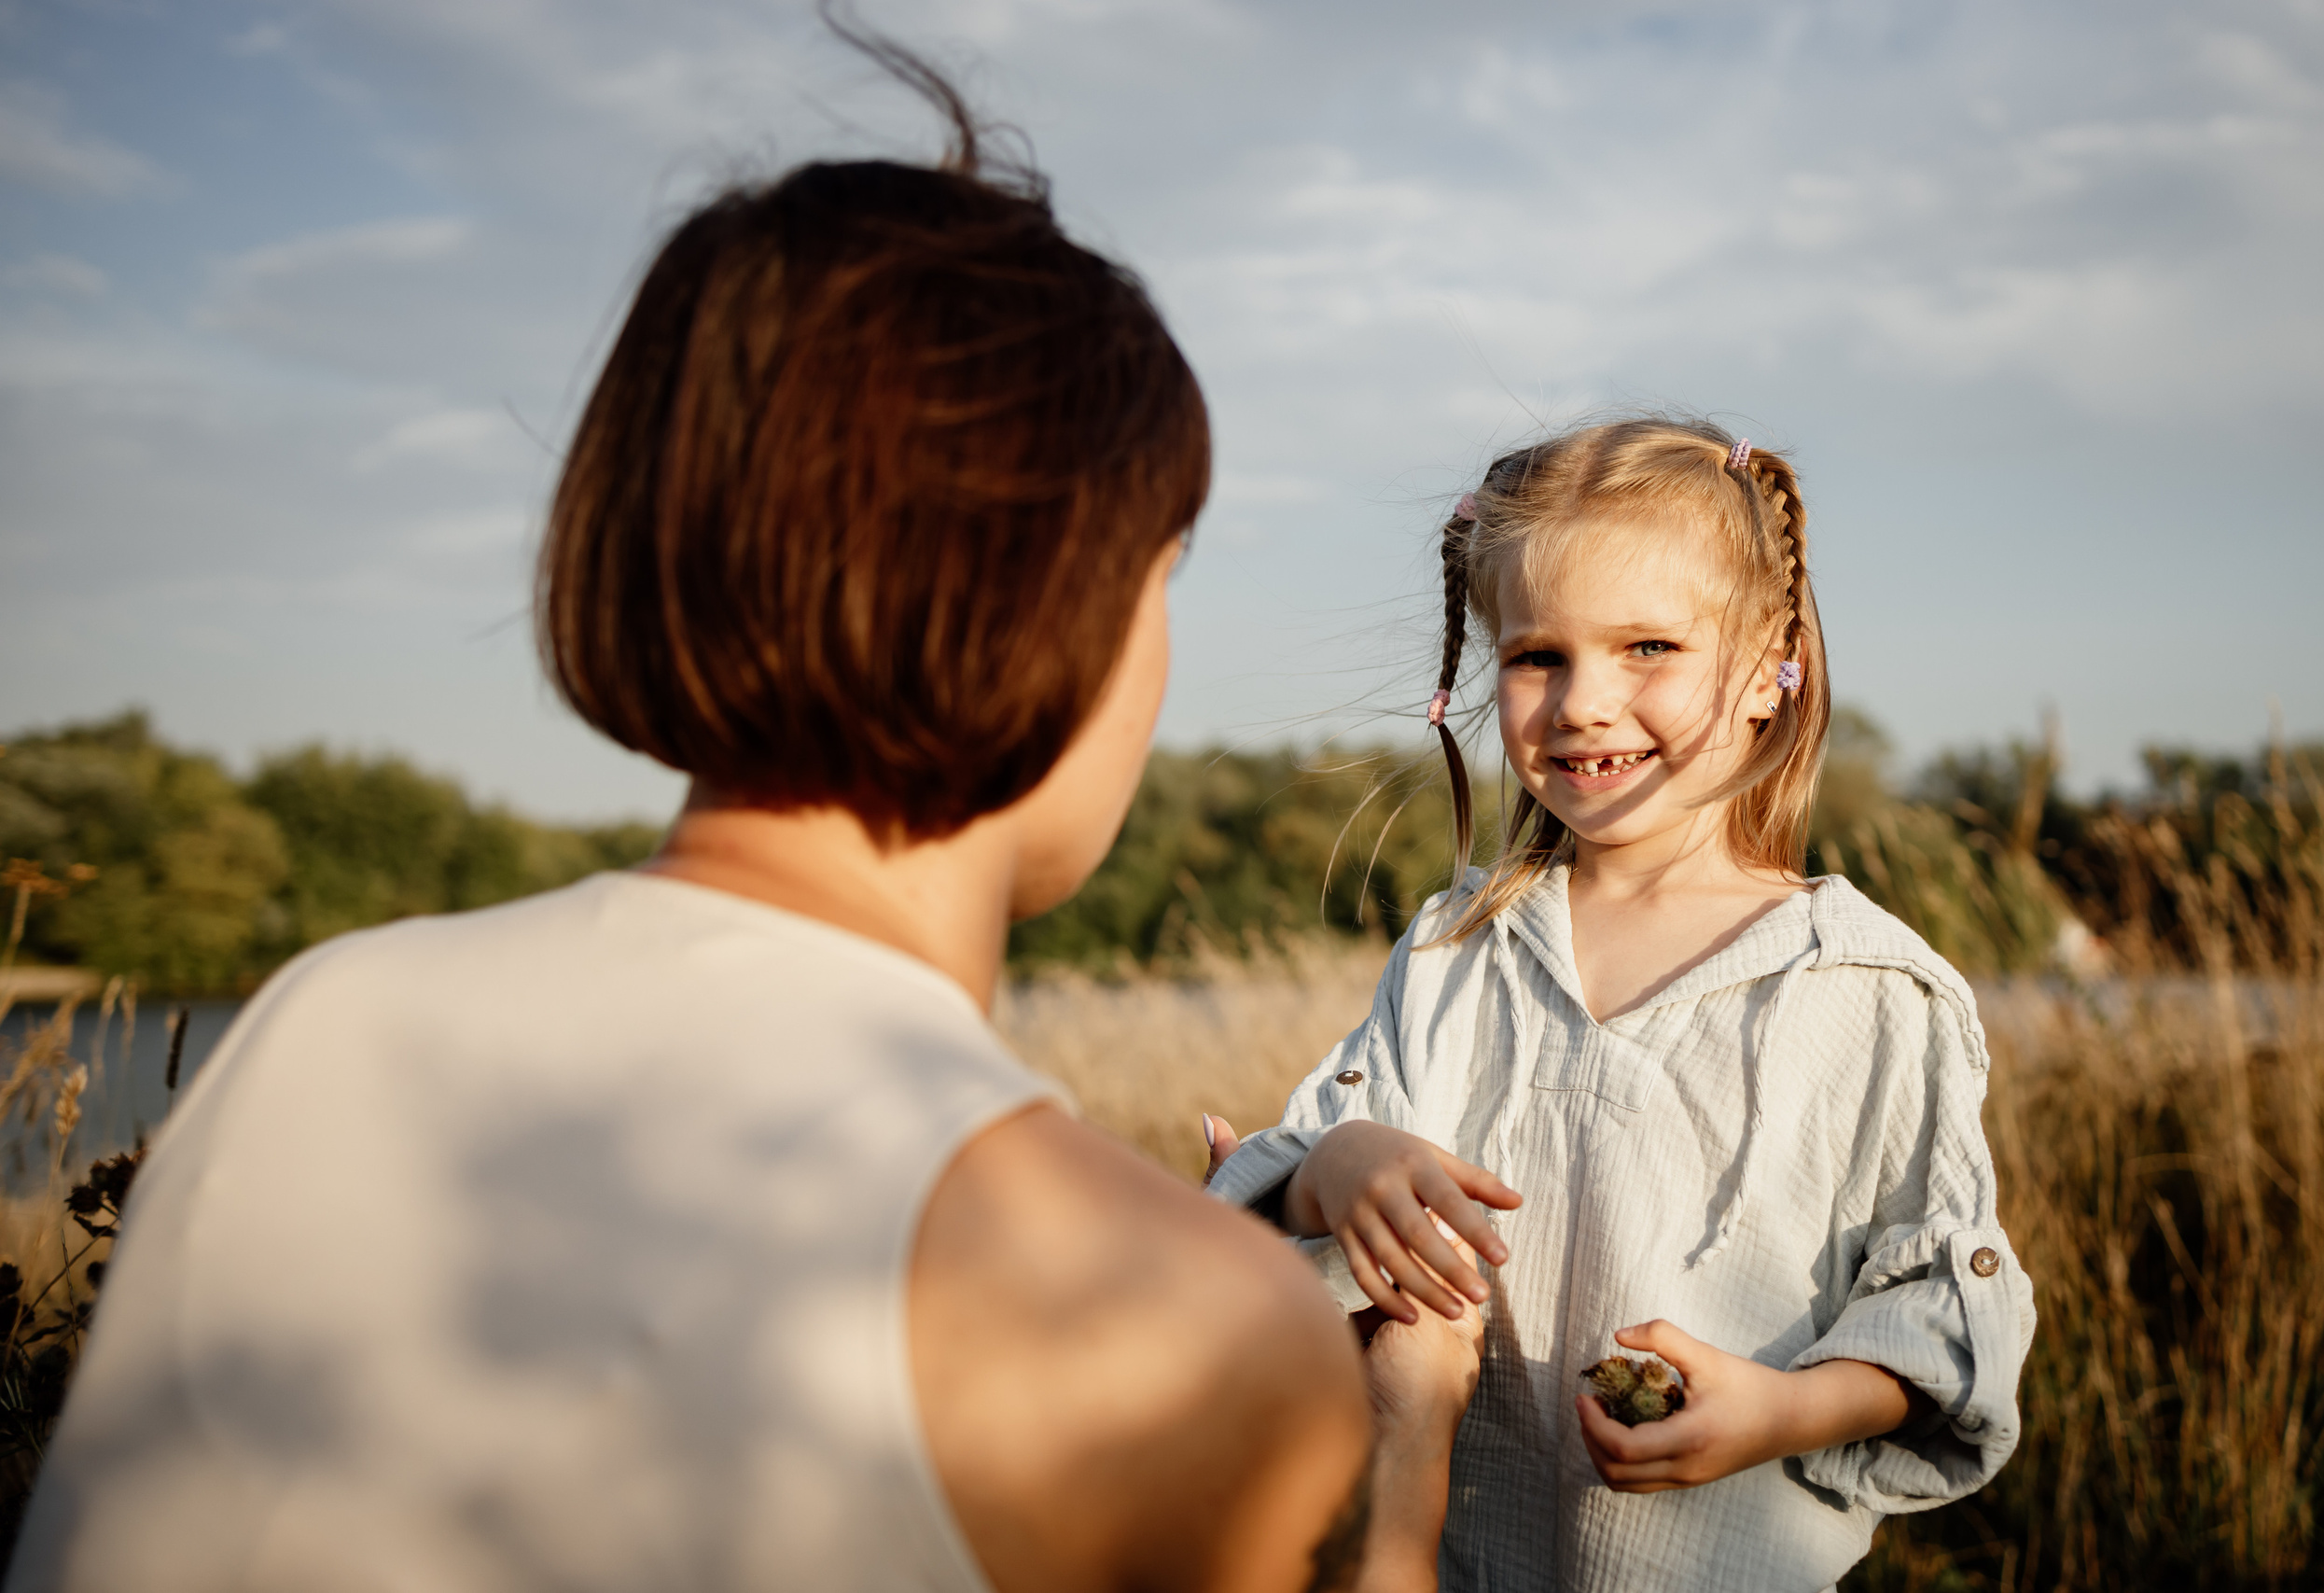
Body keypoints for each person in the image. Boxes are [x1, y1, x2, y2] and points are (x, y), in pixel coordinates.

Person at [8, 51, 1476, 1593]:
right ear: (1057, 599)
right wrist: (1404, 1461)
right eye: (1162, 573)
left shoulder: (315, 1017)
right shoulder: (1158, 1318)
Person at [1204, 417, 2039, 1592]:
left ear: (1767, 668)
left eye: (1648, 646)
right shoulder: (1457, 952)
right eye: (1538, 656)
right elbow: (1291, 1189)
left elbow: (1934, 1315)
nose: (1584, 703)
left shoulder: (1867, 991)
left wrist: (1780, 1410)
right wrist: (1334, 1163)